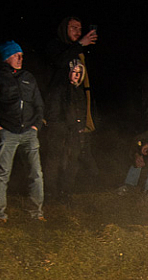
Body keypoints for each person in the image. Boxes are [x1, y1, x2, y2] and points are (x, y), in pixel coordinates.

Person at [0, 42, 44, 222]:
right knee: (2, 173)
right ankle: (0, 213)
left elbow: (38, 103)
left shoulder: (28, 77)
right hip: (8, 131)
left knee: (36, 173)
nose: (20, 58)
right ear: (6, 57)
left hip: (29, 131)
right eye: (15, 55)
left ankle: (36, 212)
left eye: (21, 55)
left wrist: (36, 125)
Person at [44, 59, 88, 199]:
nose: (76, 75)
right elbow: (53, 111)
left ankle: (66, 191)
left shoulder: (79, 91)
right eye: (74, 72)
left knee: (72, 161)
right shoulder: (60, 89)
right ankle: (50, 191)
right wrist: (58, 126)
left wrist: (80, 127)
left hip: (74, 132)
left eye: (79, 73)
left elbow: (82, 110)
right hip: (59, 130)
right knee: (54, 160)